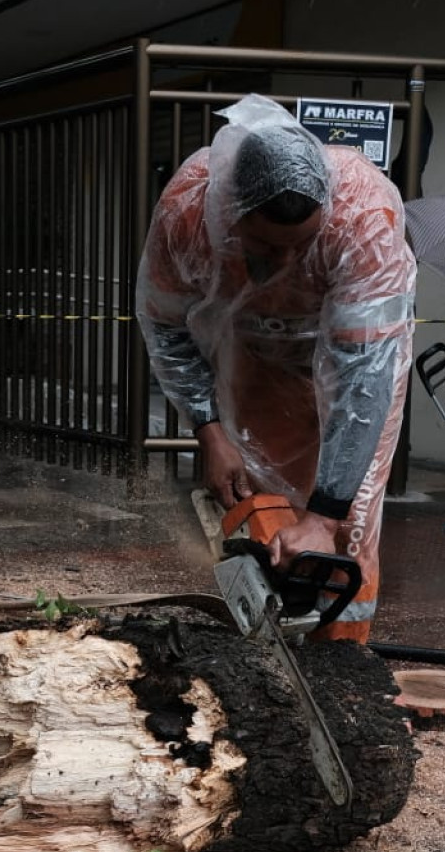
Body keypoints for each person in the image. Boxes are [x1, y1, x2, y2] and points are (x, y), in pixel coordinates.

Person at [135, 95, 416, 643]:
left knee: (348, 523)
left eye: (302, 245)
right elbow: (165, 329)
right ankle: (267, 648)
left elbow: (364, 380)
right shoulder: (186, 213)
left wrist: (326, 516)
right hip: (258, 358)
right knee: (262, 509)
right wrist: (209, 430)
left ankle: (343, 666)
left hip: (355, 362)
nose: (286, 262)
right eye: (267, 244)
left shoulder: (364, 214)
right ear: (229, 215)